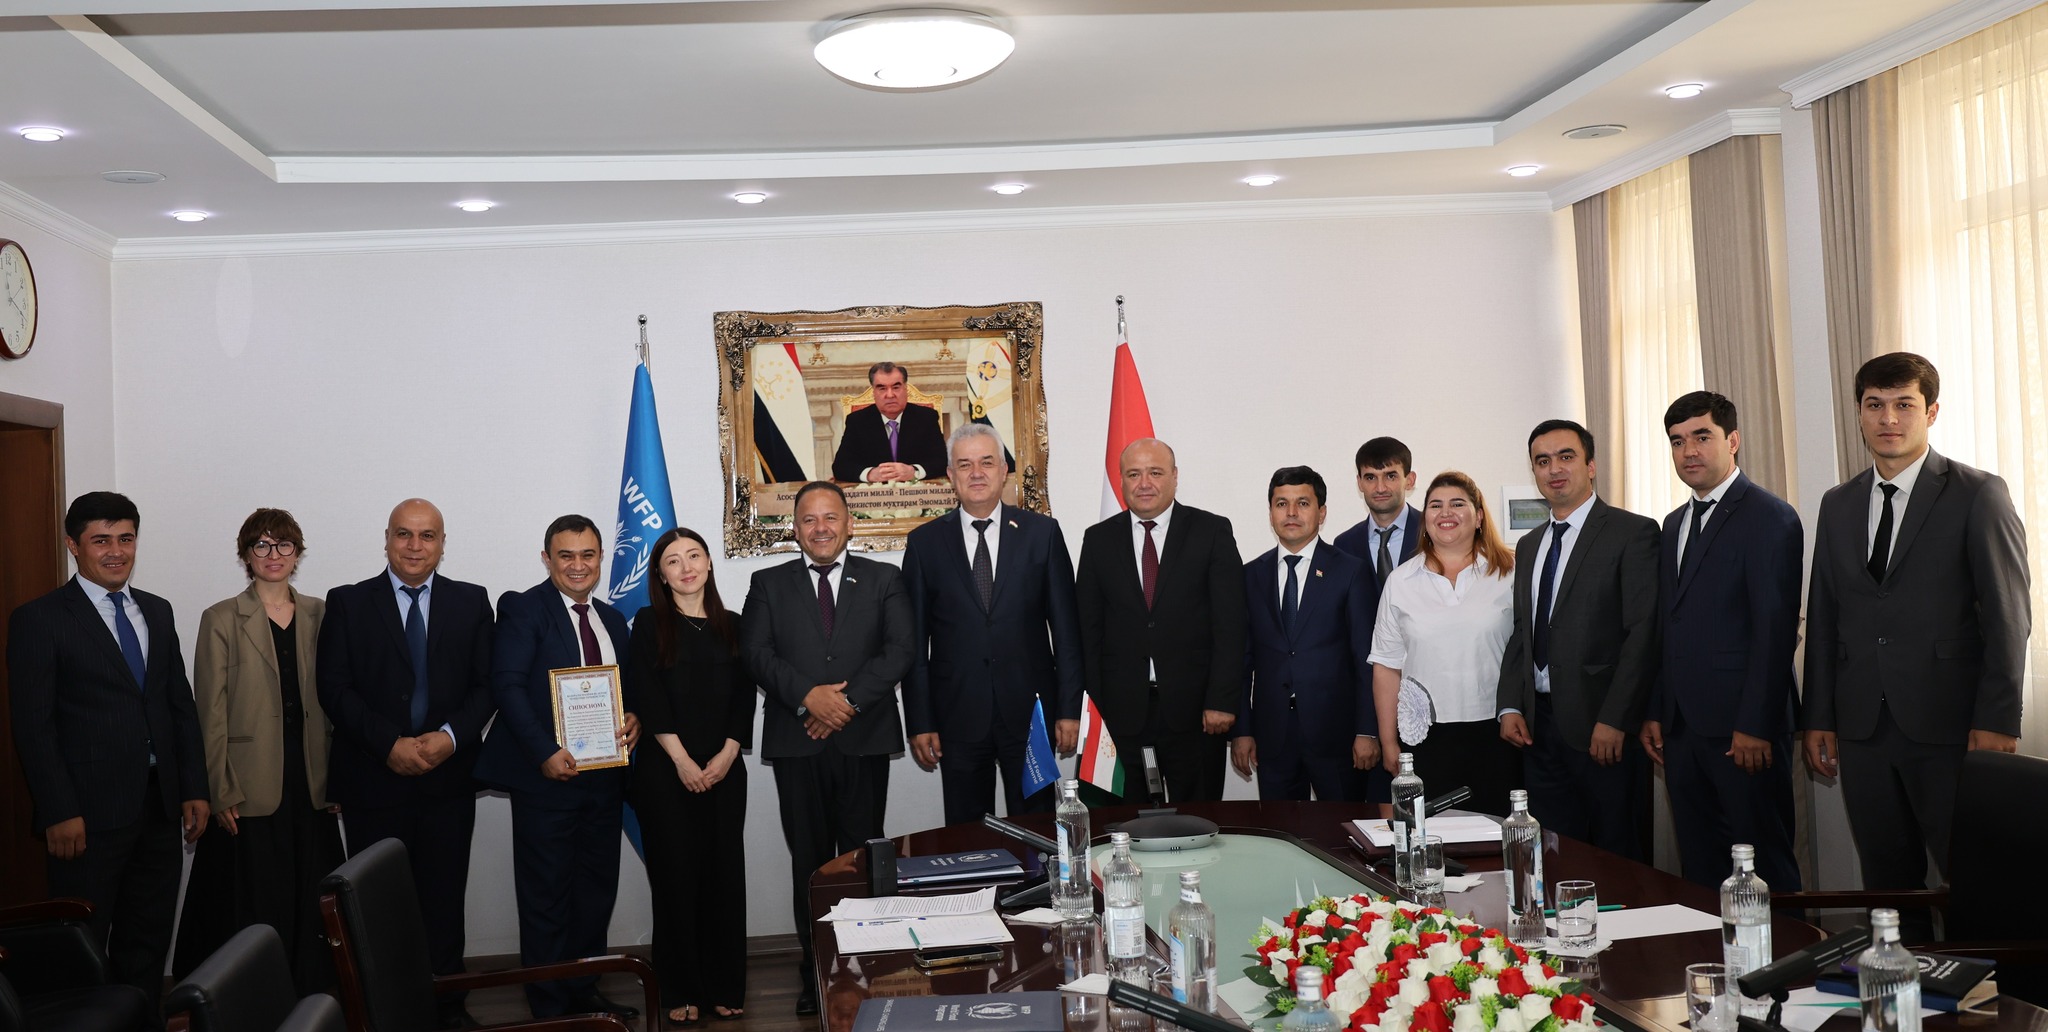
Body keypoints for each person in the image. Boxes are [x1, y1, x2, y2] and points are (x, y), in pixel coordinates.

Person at [1803, 353, 2029, 921]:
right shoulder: (1838, 503)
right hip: (1863, 729)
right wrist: (1819, 715)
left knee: (1972, 881)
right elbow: (1825, 614)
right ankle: (1901, 979)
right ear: (1859, 413)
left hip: (1952, 727)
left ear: (1931, 412)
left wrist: (1999, 720)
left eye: (1904, 404)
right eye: (1875, 405)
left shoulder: (1978, 493)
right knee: (1887, 886)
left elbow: (2007, 616)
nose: (1889, 419)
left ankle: (1979, 983)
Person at [7, 491, 208, 1008]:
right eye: (101, 540)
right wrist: (58, 809)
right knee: (82, 945)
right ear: (74, 546)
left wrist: (194, 788)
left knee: (148, 938)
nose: (116, 551)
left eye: (126, 538)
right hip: (86, 817)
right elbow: (34, 726)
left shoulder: (157, 611)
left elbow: (179, 706)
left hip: (159, 807)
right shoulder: (40, 619)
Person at [317, 498, 496, 1029]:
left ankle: (447, 1008)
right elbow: (334, 688)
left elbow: (487, 685)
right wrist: (388, 744)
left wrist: (450, 738)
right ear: (387, 539)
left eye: (427, 536)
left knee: (443, 900)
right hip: (374, 780)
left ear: (442, 544)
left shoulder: (471, 601)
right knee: (376, 904)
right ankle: (385, 1013)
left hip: (448, 780)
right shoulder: (348, 602)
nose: (415, 546)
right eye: (404, 534)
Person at [740, 481, 914, 1016]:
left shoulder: (884, 579)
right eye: (809, 519)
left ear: (849, 524)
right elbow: (755, 653)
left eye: (831, 517)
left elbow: (901, 650)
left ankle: (866, 965)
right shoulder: (767, 583)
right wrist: (808, 699)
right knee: (811, 865)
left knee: (862, 861)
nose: (821, 528)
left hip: (864, 740)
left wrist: (845, 704)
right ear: (795, 529)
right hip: (798, 744)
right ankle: (816, 970)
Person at [475, 515, 641, 1021]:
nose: (577, 565)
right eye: (566, 555)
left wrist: (634, 716)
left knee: (594, 892)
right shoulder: (524, 608)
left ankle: (583, 989)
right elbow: (507, 686)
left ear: (601, 558)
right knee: (546, 895)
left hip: (604, 781)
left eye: (587, 555)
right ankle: (549, 1006)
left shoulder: (612, 619)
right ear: (547, 559)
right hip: (545, 781)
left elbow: (625, 689)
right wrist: (543, 751)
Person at [173, 508, 345, 992]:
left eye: (284, 544)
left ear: (297, 553)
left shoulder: (322, 613)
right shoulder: (222, 617)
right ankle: (255, 1000)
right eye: (262, 545)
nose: (274, 554)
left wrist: (340, 777)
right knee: (253, 903)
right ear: (246, 555)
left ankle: (312, 998)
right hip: (248, 784)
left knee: (314, 898)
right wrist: (221, 789)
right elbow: (209, 711)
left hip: (311, 778)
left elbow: (338, 702)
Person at [1642, 393, 1803, 890]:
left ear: (1732, 441)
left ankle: (1786, 947)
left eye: (1701, 437)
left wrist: (1755, 724)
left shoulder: (1770, 516)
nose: (1688, 451)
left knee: (1763, 865)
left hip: (1743, 731)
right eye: (1677, 441)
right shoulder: (1673, 523)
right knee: (1701, 864)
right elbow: (1670, 625)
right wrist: (1656, 709)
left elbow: (1775, 630)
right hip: (1682, 730)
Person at [902, 423, 1084, 823]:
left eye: (986, 462)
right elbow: (914, 642)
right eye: (964, 464)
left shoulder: (1042, 534)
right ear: (950, 475)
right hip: (958, 715)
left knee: (1038, 829)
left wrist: (1070, 709)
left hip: (1032, 714)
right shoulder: (924, 544)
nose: (976, 473)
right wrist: (920, 720)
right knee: (967, 834)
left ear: (1004, 471)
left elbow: (1067, 632)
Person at [1495, 420, 1659, 860]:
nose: (1554, 469)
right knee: (1556, 854)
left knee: (1618, 855)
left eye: (1566, 457)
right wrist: (1510, 704)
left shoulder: (1632, 532)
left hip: (1603, 727)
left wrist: (1615, 719)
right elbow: (1524, 631)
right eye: (1542, 461)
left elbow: (1643, 634)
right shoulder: (1529, 545)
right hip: (1539, 730)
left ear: (1591, 466)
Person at [1073, 438, 1248, 804]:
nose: (1144, 483)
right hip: (1121, 717)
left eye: (1155, 472)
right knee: (1125, 824)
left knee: (1198, 821)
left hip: (1196, 714)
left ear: (1174, 476)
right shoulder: (1098, 540)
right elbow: (1088, 632)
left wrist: (1222, 699)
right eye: (1133, 474)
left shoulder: (1211, 531)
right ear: (1121, 481)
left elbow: (1231, 626)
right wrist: (1094, 712)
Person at [629, 528, 755, 1026]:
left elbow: (744, 697)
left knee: (724, 877)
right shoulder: (648, 623)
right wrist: (681, 761)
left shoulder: (735, 624)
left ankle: (724, 985)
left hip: (725, 769)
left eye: (694, 556)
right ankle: (680, 988)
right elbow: (647, 695)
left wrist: (727, 755)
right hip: (665, 771)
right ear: (661, 575)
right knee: (675, 879)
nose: (686, 567)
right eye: (673, 561)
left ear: (708, 564)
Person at [1370, 472, 1521, 816]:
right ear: (1425, 518)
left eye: (1457, 504)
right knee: (1430, 836)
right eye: (1435, 505)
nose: (1445, 513)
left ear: (1479, 516)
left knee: (1496, 833)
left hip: (1498, 733)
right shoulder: (1400, 581)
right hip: (1424, 740)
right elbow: (1386, 666)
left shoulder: (1511, 572)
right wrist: (1389, 741)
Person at [1230, 466, 1382, 802]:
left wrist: (1367, 730)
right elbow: (1241, 661)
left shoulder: (1350, 571)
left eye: (1302, 503)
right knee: (1279, 830)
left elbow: (1365, 659)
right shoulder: (1251, 575)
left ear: (1321, 512)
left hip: (1338, 736)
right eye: (1281, 504)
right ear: (1271, 512)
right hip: (1272, 738)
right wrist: (1243, 730)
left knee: (1343, 829)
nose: (1291, 513)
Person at [830, 361, 949, 482]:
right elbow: (841, 466)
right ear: (874, 392)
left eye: (896, 387)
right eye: (882, 388)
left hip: (916, 490)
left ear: (905, 389)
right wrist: (870, 474)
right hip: (875, 491)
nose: (890, 395)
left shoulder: (926, 417)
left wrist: (914, 472)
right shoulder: (857, 421)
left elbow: (942, 460)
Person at [1332, 437, 1422, 586]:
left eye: (1390, 476)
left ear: (1410, 480)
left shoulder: (1432, 533)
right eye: (1370, 477)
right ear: (1360, 483)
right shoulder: (1344, 545)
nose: (1380, 488)